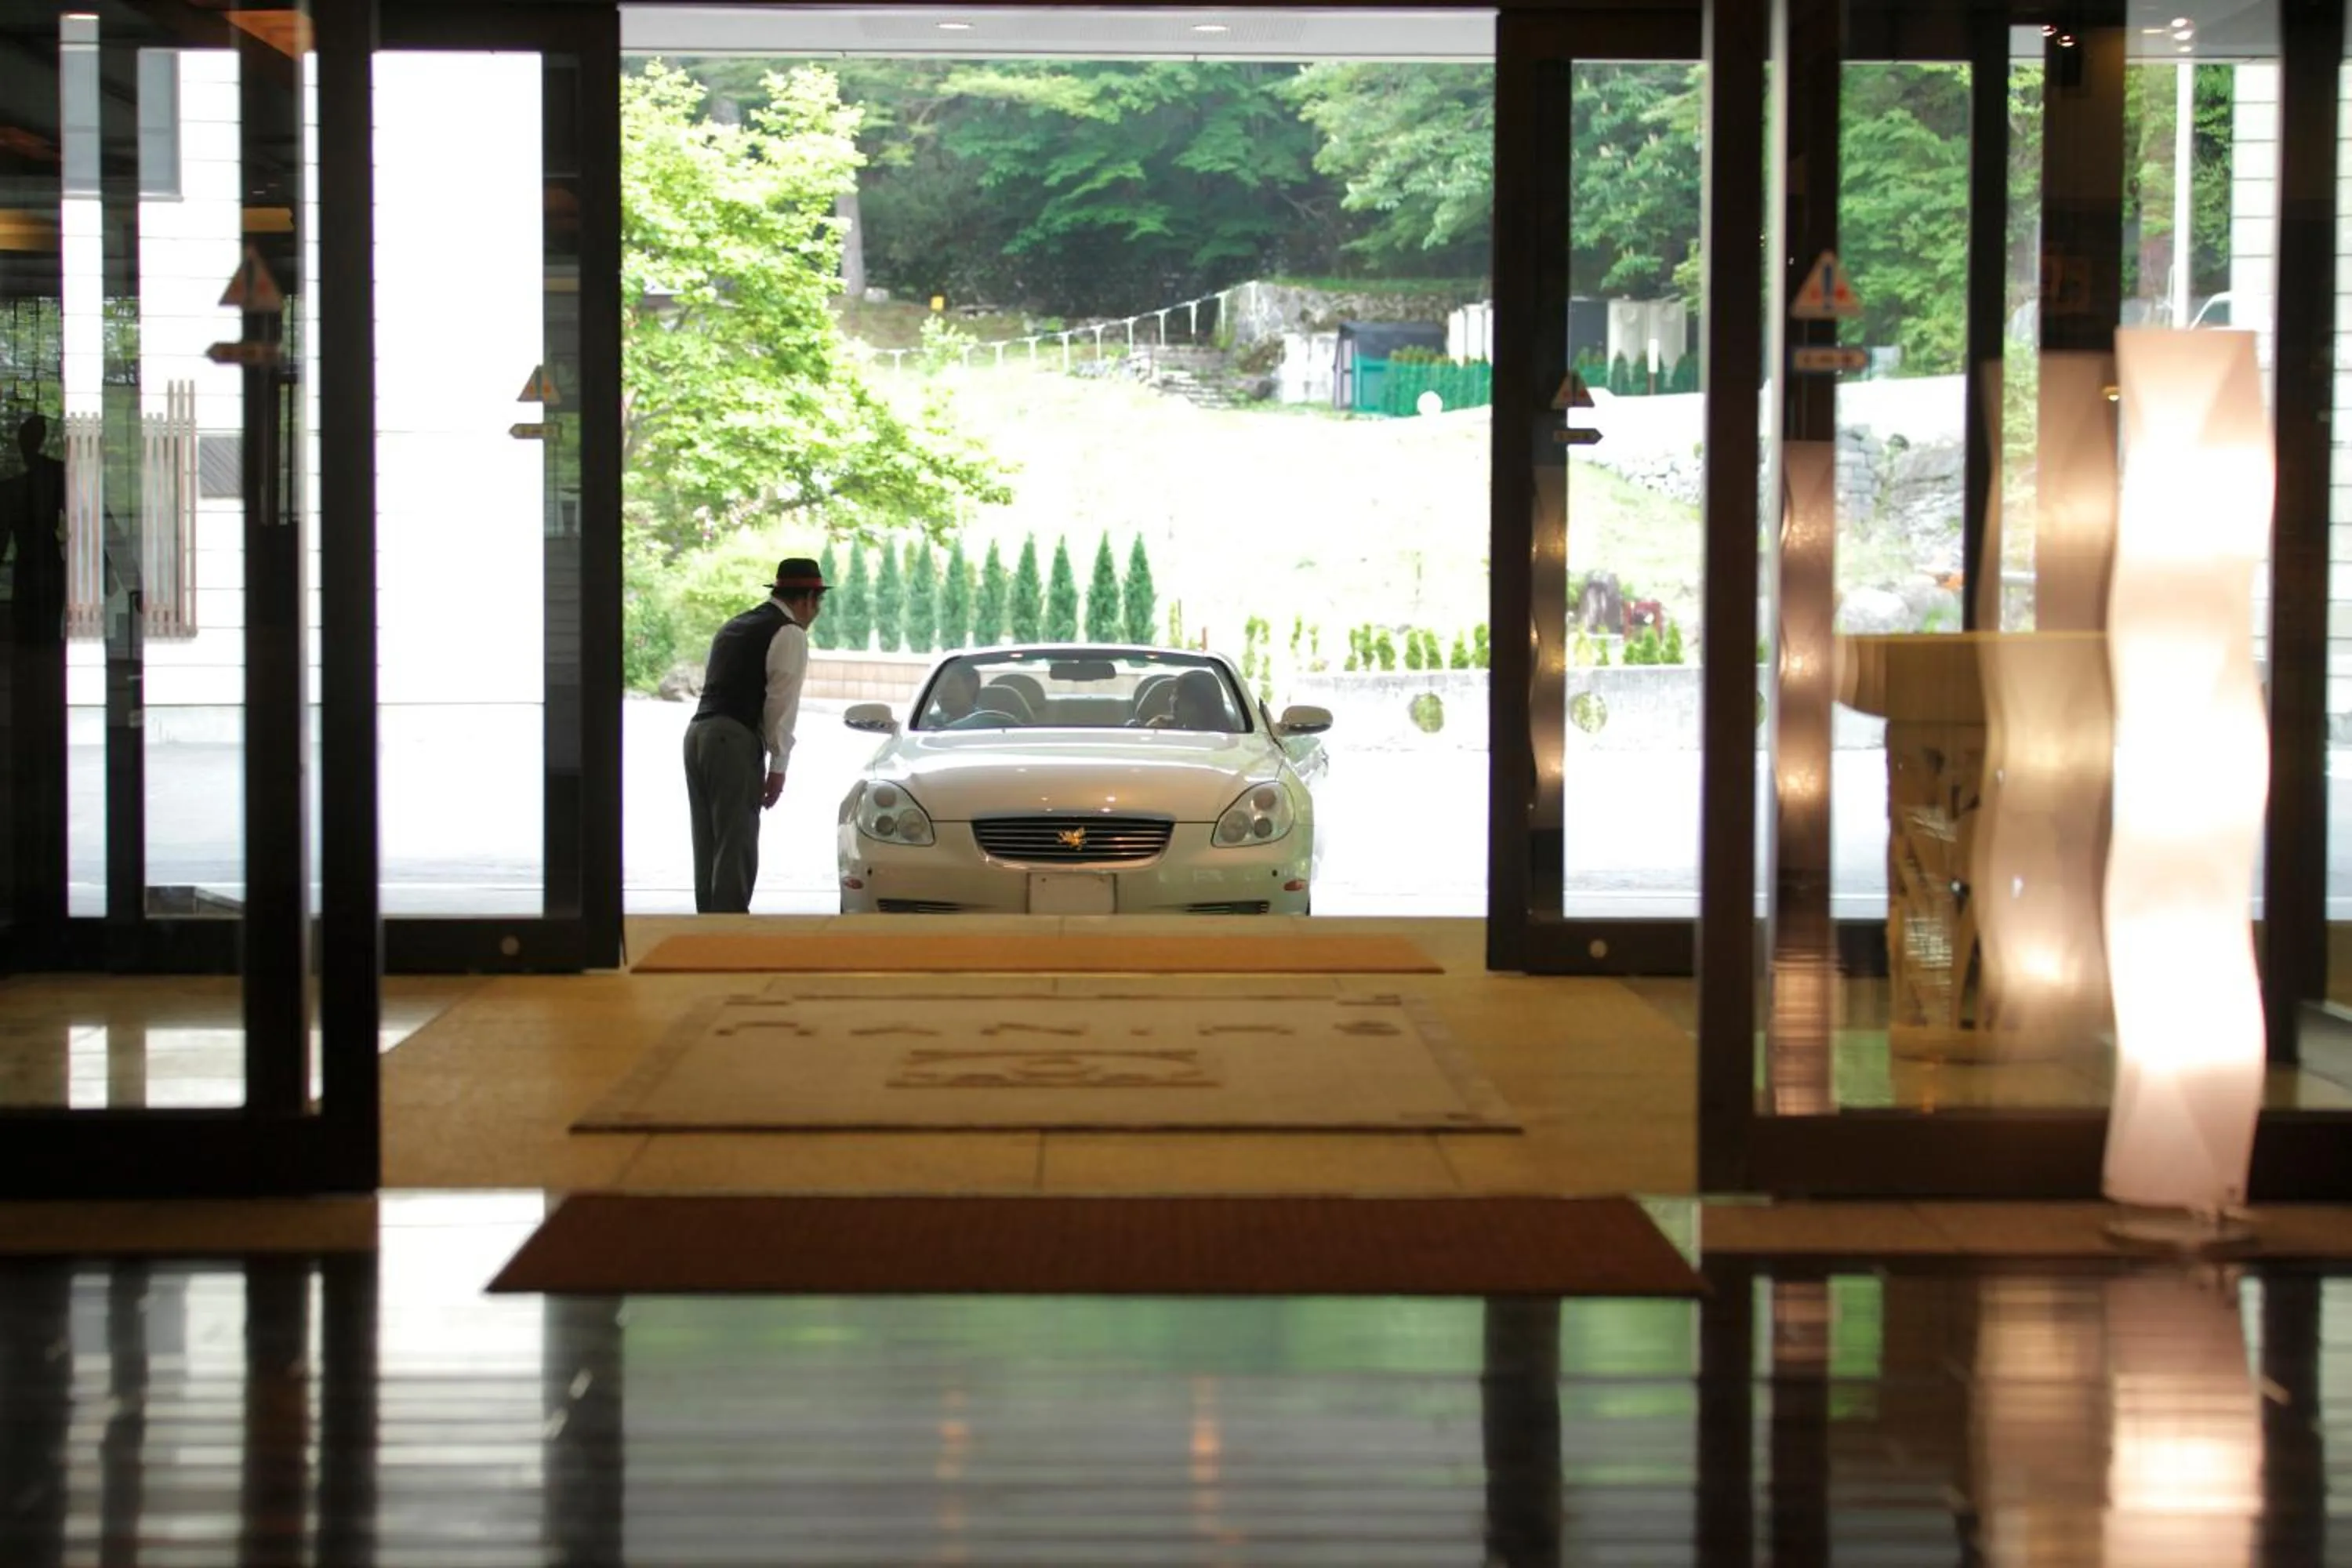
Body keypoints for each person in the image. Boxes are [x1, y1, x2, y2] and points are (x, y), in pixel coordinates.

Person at [683, 556, 828, 913]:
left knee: (708, 841)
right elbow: (781, 705)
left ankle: (707, 930)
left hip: (697, 734)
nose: (817, 611)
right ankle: (729, 932)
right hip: (733, 739)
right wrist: (779, 766)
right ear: (808, 599)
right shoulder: (789, 632)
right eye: (819, 601)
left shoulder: (737, 624)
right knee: (736, 842)